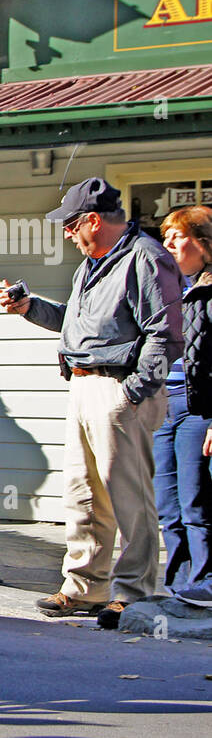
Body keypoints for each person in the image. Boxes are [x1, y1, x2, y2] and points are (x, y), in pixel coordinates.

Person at [0, 177, 183, 627]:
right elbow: (76, 326)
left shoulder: (146, 259)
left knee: (128, 497)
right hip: (83, 385)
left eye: (71, 224)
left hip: (119, 389)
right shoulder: (92, 264)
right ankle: (86, 587)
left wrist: (134, 391)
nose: (66, 233)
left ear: (93, 219)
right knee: (83, 495)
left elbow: (166, 332)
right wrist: (28, 305)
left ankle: (134, 594)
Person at [156, 205, 212, 608]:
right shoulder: (166, 286)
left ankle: (205, 581)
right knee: (167, 502)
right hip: (163, 403)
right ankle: (178, 586)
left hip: (199, 406)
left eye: (178, 236)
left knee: (196, 500)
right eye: (166, 237)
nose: (168, 244)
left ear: (204, 243)